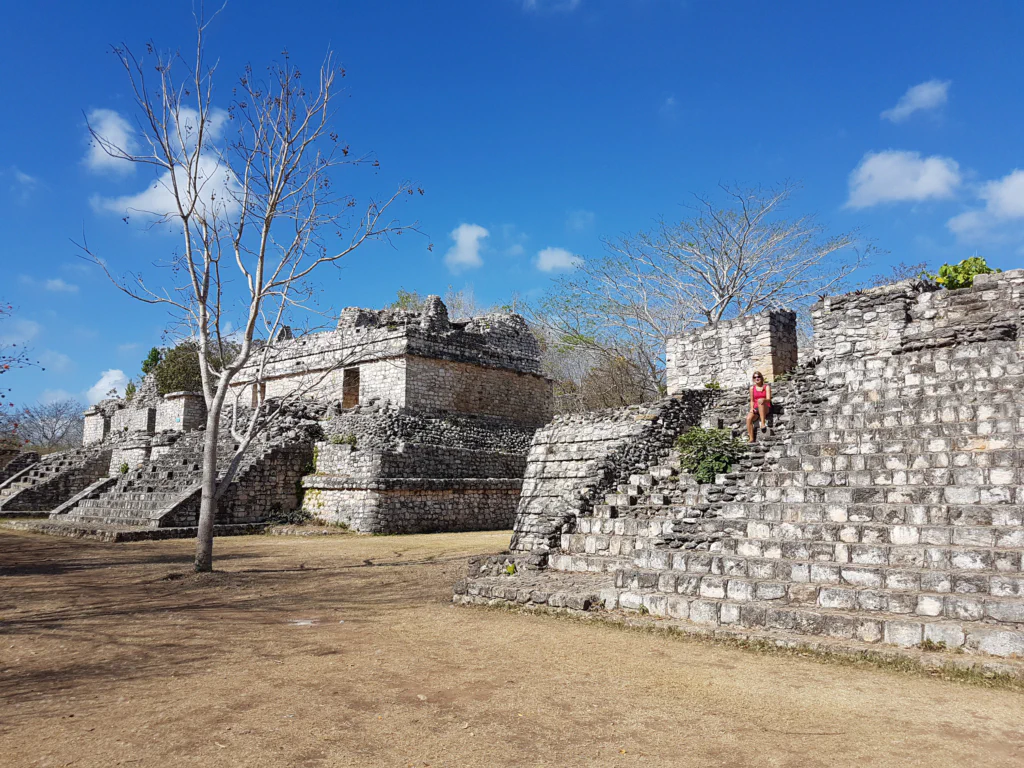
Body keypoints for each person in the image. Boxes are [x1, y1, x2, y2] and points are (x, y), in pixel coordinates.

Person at [746, 371, 771, 442]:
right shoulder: (752, 388)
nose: (757, 378)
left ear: (761, 378)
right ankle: (751, 438)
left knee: (760, 401)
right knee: (748, 418)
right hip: (756, 407)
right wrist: (751, 408)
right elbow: (752, 400)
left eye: (758, 377)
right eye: (755, 377)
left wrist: (763, 400)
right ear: (753, 379)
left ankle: (763, 423)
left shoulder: (766, 387)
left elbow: (769, 399)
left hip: (765, 406)